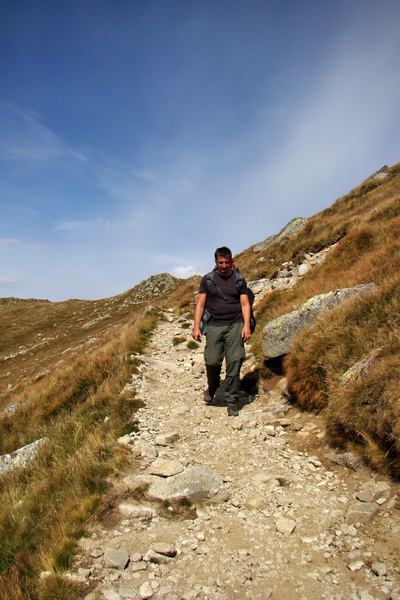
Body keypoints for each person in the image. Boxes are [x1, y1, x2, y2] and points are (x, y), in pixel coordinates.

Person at [192, 246, 252, 417]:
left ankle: (232, 401)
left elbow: (245, 304)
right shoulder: (208, 280)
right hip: (213, 325)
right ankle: (213, 387)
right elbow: (200, 305)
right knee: (211, 361)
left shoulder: (239, 279)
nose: (224, 266)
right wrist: (196, 327)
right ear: (215, 262)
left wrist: (246, 326)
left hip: (235, 324)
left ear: (231, 261)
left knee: (235, 360)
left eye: (227, 262)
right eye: (220, 262)